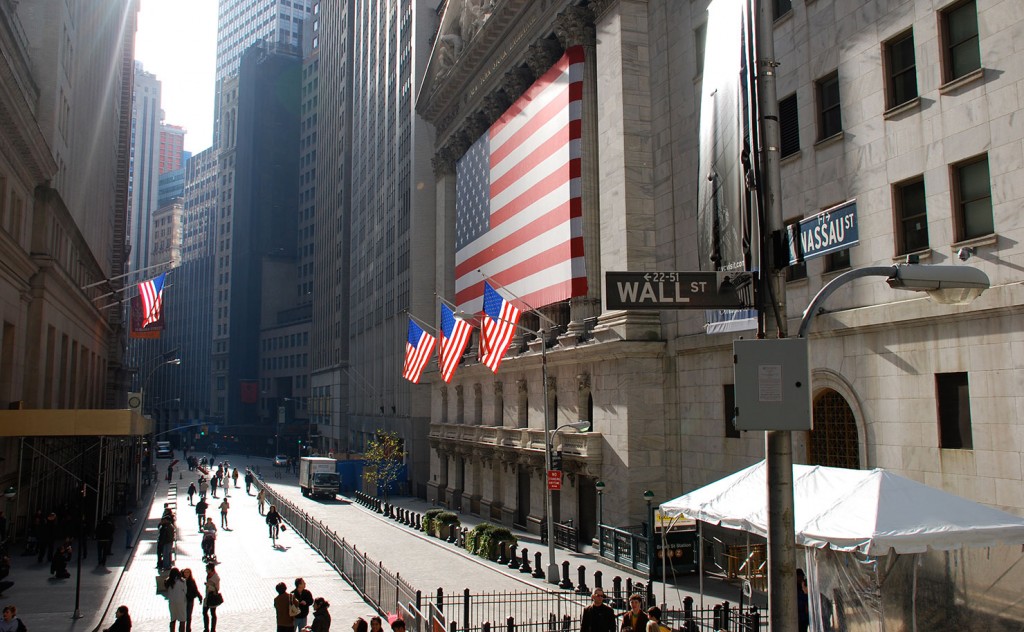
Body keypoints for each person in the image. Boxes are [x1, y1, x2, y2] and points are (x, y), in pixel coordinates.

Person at [164, 567, 188, 632]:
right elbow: (185, 591)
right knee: (182, 619)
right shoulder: (182, 581)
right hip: (181, 602)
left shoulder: (168, 581)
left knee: (173, 618)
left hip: (172, 602)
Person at [183, 567, 203, 632]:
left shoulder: (192, 581)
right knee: (183, 616)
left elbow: (195, 589)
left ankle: (188, 629)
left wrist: (200, 597)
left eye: (188, 572)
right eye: (185, 572)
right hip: (183, 601)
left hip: (190, 600)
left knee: (189, 616)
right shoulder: (181, 581)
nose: (186, 574)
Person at [202, 562, 220, 632]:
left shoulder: (216, 577)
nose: (206, 570)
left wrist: (209, 586)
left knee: (213, 613)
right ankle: (206, 628)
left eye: (207, 569)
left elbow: (217, 588)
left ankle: (213, 629)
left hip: (212, 597)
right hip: (207, 597)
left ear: (210, 569)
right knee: (204, 612)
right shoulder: (209, 575)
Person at [797, 568, 810, 632]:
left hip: (804, 617)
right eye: (800, 577)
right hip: (800, 617)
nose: (801, 578)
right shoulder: (796, 588)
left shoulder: (802, 587)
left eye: (802, 577)